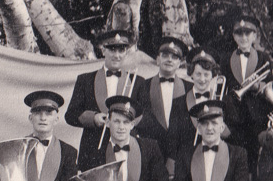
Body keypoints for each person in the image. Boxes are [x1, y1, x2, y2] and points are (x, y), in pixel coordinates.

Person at [65, 29, 149, 155]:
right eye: (112, 50)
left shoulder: (138, 81)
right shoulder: (85, 80)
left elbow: (147, 116)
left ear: (126, 53)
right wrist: (94, 118)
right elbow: (71, 115)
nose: (117, 55)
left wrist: (127, 122)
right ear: (103, 50)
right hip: (93, 150)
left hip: (127, 150)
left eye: (121, 50)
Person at [166, 47, 239, 163]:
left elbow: (235, 136)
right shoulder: (179, 103)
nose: (202, 79)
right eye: (198, 74)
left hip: (218, 161)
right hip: (187, 162)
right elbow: (172, 141)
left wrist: (223, 128)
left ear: (213, 75)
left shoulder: (224, 100)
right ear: (191, 74)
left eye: (206, 74)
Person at [222, 11, 273, 171]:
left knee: (254, 164)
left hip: (257, 120)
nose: (243, 37)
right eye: (239, 33)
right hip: (234, 119)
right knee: (235, 162)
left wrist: (258, 86)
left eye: (248, 33)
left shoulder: (264, 58)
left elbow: (272, 84)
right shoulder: (226, 59)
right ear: (234, 36)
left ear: (254, 36)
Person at [135, 35, 189, 173]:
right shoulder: (142, 86)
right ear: (158, 59)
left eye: (175, 57)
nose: (169, 59)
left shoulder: (190, 88)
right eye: (165, 55)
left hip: (181, 157)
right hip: (150, 156)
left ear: (180, 63)